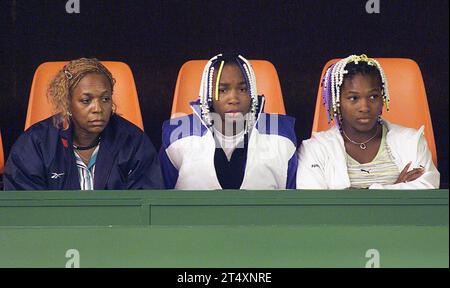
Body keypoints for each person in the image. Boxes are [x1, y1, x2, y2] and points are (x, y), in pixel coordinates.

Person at [4, 58, 164, 190]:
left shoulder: (133, 142)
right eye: (86, 101)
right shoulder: (36, 144)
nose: (98, 108)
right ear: (67, 103)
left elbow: (146, 210)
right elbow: (25, 212)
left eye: (105, 99)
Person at [297, 54, 439, 189]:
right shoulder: (315, 149)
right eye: (353, 98)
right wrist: (395, 188)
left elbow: (428, 189)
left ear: (382, 98)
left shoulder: (411, 141)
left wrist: (354, 194)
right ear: (337, 101)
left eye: (373, 97)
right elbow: (315, 207)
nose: (364, 107)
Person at [160, 54, 298, 189]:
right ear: (209, 96)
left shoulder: (282, 135)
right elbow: (158, 201)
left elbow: (295, 204)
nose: (233, 99)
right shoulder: (177, 136)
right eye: (222, 90)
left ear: (252, 94)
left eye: (242, 89)